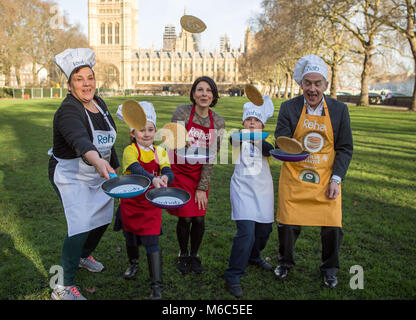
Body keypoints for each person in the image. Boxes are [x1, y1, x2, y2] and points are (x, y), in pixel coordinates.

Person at [274, 54, 353, 288]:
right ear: (301, 85)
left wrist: (336, 179)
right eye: (308, 83)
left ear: (325, 85)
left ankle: (330, 268)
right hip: (294, 177)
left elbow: (345, 148)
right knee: (287, 225)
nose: (312, 89)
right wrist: (285, 145)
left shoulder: (339, 110)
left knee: (332, 227)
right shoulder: (289, 107)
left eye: (317, 83)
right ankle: (284, 262)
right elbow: (281, 138)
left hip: (326, 178)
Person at [48, 48, 119, 300]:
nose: (86, 83)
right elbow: (80, 140)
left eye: (89, 77)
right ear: (69, 85)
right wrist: (98, 162)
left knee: (102, 218)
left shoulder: (100, 104)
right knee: (80, 223)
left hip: (98, 171)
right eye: (79, 79)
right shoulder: (68, 110)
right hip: (70, 174)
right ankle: (62, 286)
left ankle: (83, 255)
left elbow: (109, 141)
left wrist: (114, 167)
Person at [113, 101, 174, 300]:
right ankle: (133, 263)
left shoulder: (161, 151)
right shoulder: (129, 151)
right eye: (141, 130)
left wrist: (165, 177)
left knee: (152, 243)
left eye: (150, 129)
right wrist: (153, 178)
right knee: (130, 239)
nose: (146, 134)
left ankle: (156, 288)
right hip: (131, 205)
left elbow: (167, 170)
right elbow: (137, 170)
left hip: (151, 207)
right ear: (132, 133)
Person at [167, 76, 226, 274]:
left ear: (213, 95)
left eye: (208, 91)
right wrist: (183, 142)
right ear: (193, 94)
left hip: (200, 173)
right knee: (184, 218)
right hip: (181, 172)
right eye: (200, 90)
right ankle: (182, 254)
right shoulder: (181, 112)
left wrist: (202, 187)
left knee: (199, 218)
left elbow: (212, 157)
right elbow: (171, 140)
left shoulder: (218, 122)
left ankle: (195, 255)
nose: (204, 94)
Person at [224, 96, 276, 298]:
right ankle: (233, 274)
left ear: (263, 124)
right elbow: (231, 140)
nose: (252, 122)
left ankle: (254, 256)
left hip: (263, 190)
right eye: (249, 119)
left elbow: (269, 150)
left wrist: (257, 136)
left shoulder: (267, 140)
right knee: (246, 233)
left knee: (264, 231)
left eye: (256, 120)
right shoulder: (238, 136)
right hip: (242, 189)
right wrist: (248, 134)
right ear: (243, 122)